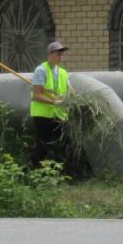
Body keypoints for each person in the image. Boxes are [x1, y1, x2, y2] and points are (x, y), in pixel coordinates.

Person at [29, 40, 70, 168]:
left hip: (59, 115)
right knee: (43, 147)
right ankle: (35, 174)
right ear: (50, 54)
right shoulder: (41, 70)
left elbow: (70, 90)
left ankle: (62, 173)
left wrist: (75, 100)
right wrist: (54, 101)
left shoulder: (63, 72)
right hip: (43, 116)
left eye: (62, 54)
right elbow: (36, 95)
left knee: (64, 145)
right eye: (58, 54)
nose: (61, 57)